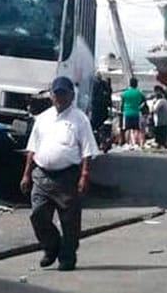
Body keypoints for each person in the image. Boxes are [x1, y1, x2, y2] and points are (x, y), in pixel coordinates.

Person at [20, 76, 99, 271]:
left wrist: (84, 176)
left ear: (71, 95)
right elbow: (32, 148)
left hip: (67, 176)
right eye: (56, 94)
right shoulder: (43, 118)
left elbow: (87, 151)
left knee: (69, 221)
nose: (59, 97)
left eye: (63, 93)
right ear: (51, 96)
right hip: (42, 175)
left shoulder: (80, 119)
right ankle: (51, 247)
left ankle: (67, 256)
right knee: (38, 215)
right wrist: (26, 174)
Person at [120, 77, 146, 148]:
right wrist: (139, 106)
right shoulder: (139, 93)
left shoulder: (124, 93)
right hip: (136, 112)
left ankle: (128, 143)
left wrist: (121, 110)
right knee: (136, 129)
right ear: (136, 84)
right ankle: (135, 143)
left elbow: (121, 104)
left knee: (127, 129)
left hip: (127, 112)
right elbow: (143, 101)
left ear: (130, 84)